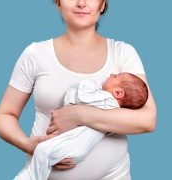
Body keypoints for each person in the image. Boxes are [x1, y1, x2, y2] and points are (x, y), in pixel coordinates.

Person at [0, 0, 157, 180]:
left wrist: (79, 115)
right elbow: (5, 115)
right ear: (58, 2)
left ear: (103, 4)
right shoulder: (36, 54)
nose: (81, 2)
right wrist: (28, 145)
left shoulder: (123, 53)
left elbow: (147, 120)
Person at [15, 72, 148, 180]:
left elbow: (81, 97)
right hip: (76, 149)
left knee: (42, 151)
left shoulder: (106, 100)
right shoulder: (113, 110)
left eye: (115, 77)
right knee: (43, 153)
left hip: (77, 147)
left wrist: (88, 83)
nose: (112, 73)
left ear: (118, 93)